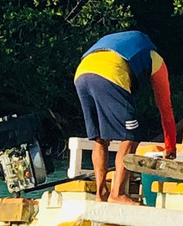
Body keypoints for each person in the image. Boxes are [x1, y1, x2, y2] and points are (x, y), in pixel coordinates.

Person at [73, 30, 177, 204]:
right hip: (110, 74)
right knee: (131, 136)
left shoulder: (118, 43)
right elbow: (165, 109)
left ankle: (101, 194)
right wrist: (170, 146)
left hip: (82, 72)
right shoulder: (155, 58)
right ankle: (117, 194)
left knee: (100, 139)